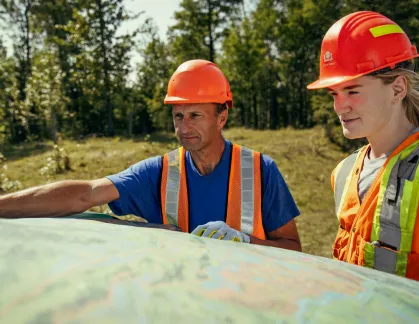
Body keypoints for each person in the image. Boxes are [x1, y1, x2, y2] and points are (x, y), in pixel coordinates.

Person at [0, 59, 302, 251]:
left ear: (221, 117)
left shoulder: (260, 170)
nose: (184, 128)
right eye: (178, 116)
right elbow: (86, 194)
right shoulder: (160, 172)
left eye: (195, 115)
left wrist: (247, 241)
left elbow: (293, 248)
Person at [306, 11, 419, 291]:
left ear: (397, 88)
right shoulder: (344, 174)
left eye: (353, 91)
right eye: (334, 94)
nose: (340, 107)